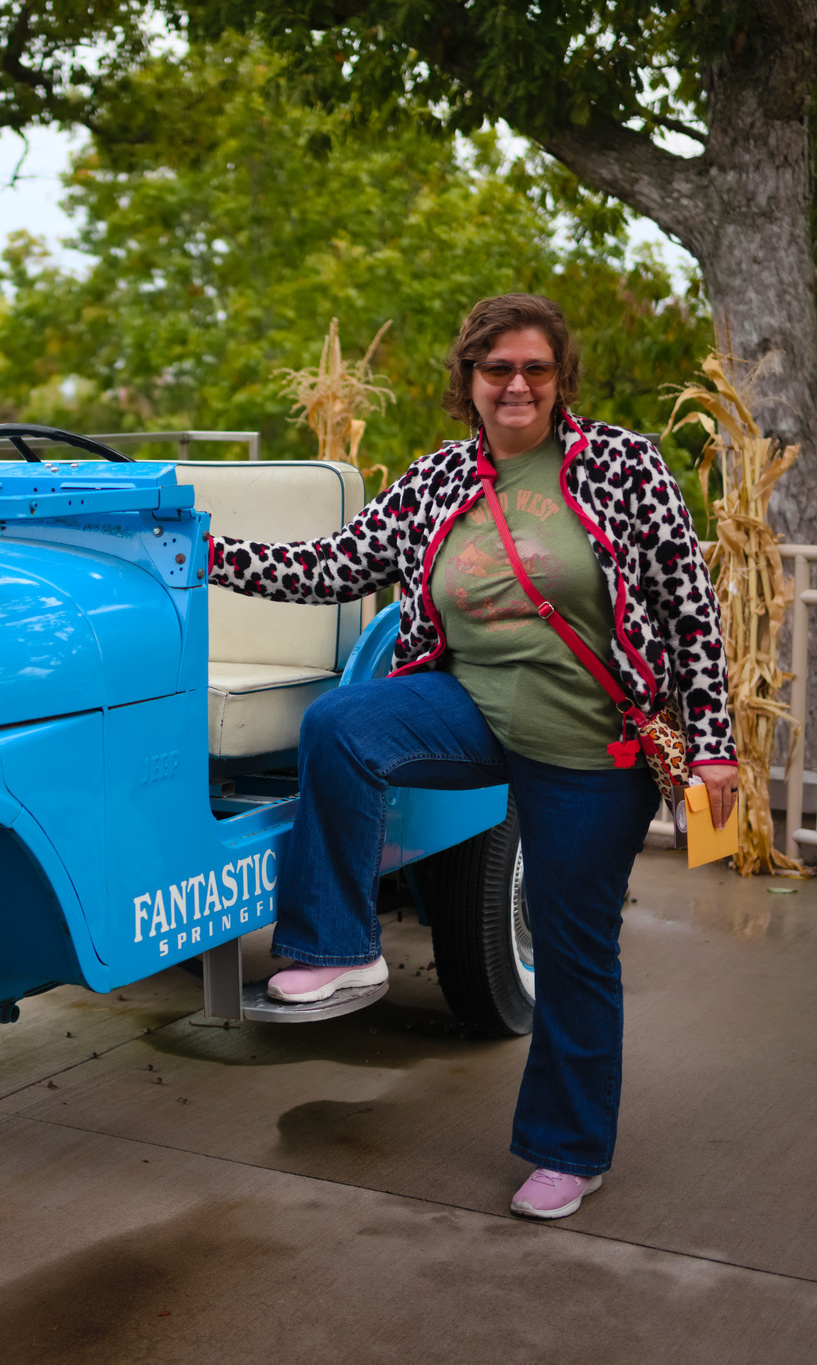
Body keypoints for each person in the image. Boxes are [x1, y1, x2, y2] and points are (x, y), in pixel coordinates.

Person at [209, 293, 737, 1220]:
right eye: (496, 369)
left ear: (559, 377)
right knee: (342, 724)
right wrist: (204, 552)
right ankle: (339, 948)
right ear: (468, 381)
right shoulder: (439, 479)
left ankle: (569, 1150)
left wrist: (717, 751)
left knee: (574, 947)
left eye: (534, 367)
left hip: (591, 744)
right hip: (470, 707)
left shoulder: (620, 464)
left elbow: (688, 602)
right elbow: (335, 565)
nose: (516, 384)